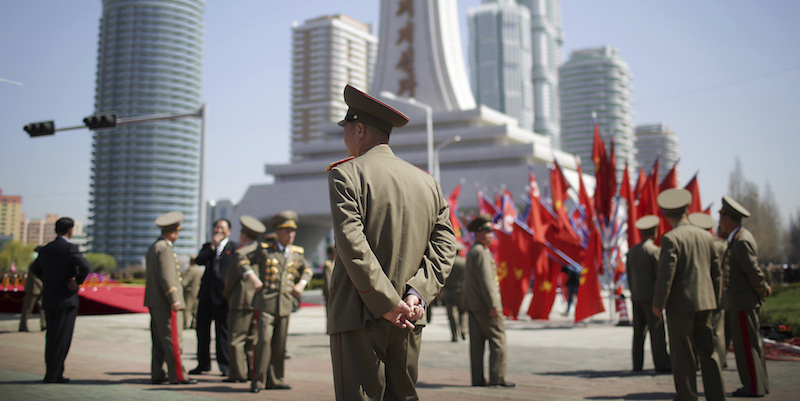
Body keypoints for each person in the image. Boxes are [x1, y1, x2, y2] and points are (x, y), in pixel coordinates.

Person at [326, 84, 457, 400]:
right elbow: (446, 245)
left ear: (359, 130)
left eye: (345, 130)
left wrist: (386, 303)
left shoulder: (346, 175)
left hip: (359, 315)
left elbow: (351, 243)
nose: (344, 139)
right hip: (410, 316)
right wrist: (416, 294)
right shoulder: (428, 183)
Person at [652, 189, 724, 401]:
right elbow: (716, 272)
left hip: (681, 306)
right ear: (687, 210)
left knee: (683, 353)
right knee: (708, 351)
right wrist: (715, 299)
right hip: (706, 303)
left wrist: (659, 302)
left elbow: (666, 274)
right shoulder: (705, 236)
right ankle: (716, 395)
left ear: (666, 214)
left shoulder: (671, 238)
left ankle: (688, 396)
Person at [249, 210, 312, 393]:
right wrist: (253, 278)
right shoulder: (265, 250)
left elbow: (307, 270)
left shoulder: (296, 253)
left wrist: (301, 284)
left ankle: (275, 380)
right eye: (287, 231)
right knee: (264, 341)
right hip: (266, 303)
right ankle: (258, 381)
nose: (291, 235)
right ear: (277, 232)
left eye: (293, 231)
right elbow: (242, 259)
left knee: (280, 344)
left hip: (284, 304)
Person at [718, 196, 771, 397]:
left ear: (729, 219)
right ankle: (758, 384)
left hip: (742, 301)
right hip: (740, 301)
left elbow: (752, 270)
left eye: (722, 217)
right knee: (750, 345)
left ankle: (752, 387)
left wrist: (762, 288)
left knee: (746, 348)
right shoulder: (737, 238)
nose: (720, 222)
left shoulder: (741, 241)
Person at [28, 217, 90, 383]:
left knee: (51, 337)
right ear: (71, 231)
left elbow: (35, 268)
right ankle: (54, 375)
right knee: (62, 338)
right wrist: (77, 281)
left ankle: (52, 372)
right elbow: (85, 267)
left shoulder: (46, 249)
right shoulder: (70, 248)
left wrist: (48, 280)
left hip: (50, 299)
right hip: (66, 300)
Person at [144, 211, 196, 385]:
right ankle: (178, 375)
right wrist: (174, 298)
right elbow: (167, 276)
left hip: (155, 301)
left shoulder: (154, 247)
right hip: (166, 303)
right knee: (173, 340)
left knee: (158, 341)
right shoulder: (165, 249)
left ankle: (158, 373)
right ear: (173, 232)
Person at [463, 215, 514, 388]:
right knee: (498, 340)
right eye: (487, 231)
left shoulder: (473, 251)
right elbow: (487, 281)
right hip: (486, 306)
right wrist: (493, 304)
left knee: (476, 346)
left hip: (474, 305)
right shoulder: (482, 252)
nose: (491, 235)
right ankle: (497, 378)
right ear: (478, 233)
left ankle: (477, 380)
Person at [190, 219, 236, 376]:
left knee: (222, 333)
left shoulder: (233, 248)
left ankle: (225, 365)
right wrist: (212, 246)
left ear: (229, 231)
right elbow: (199, 260)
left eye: (222, 228)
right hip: (206, 296)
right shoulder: (207, 246)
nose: (219, 231)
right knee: (202, 332)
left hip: (223, 297)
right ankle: (203, 364)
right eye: (216, 228)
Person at [626, 215, 671, 373]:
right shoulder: (654, 251)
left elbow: (629, 276)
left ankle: (637, 364)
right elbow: (661, 276)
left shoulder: (631, 252)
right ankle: (662, 364)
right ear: (655, 232)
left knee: (638, 333)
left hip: (636, 298)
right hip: (651, 299)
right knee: (657, 332)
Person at [223, 215, 265, 383]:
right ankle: (251, 371)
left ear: (244, 236)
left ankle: (237, 373)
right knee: (252, 339)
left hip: (240, 300)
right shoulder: (263, 251)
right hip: (258, 300)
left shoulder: (240, 253)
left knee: (235, 339)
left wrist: (227, 294)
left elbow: (231, 278)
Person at [688, 212, 729, 370]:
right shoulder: (719, 244)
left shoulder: (700, 245)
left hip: (702, 292)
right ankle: (721, 359)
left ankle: (701, 360)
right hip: (717, 290)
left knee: (701, 331)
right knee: (718, 329)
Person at [444, 243, 468, 342]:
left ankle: (454, 334)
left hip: (449, 290)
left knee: (451, 313)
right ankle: (464, 330)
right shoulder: (464, 262)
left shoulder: (448, 262)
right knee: (463, 311)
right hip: (462, 290)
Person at [19, 248, 46, 332]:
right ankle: (23, 326)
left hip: (41, 290)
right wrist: (42, 285)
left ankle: (44, 325)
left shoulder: (44, 263)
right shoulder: (34, 263)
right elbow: (34, 277)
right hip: (33, 289)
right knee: (28, 308)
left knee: (43, 309)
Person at [182, 259, 204, 329]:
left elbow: (185, 282)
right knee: (196, 309)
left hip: (191, 291)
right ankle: (194, 324)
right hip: (199, 291)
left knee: (187, 309)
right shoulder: (201, 270)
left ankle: (185, 324)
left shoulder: (191, 270)